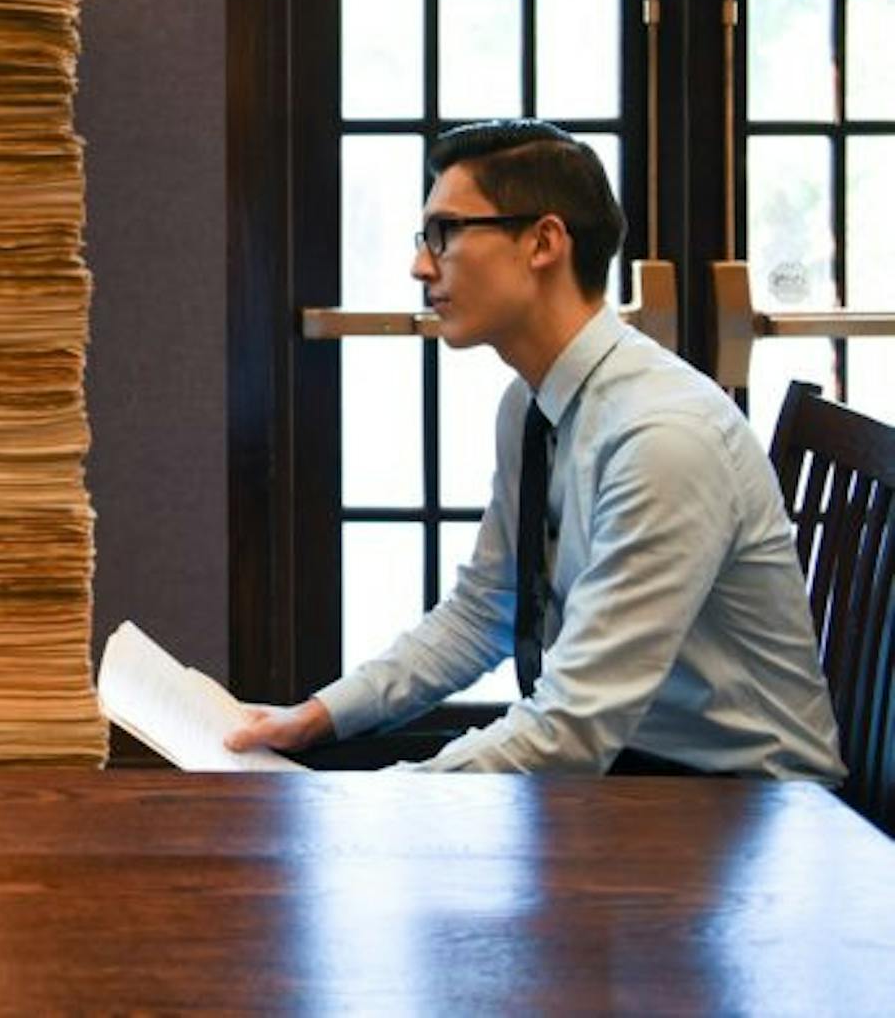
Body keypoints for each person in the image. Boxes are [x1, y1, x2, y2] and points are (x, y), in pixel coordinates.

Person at [229, 119, 844, 780]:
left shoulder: (664, 437)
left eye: (447, 232)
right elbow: (485, 611)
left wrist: (376, 810)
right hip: (632, 773)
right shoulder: (530, 404)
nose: (420, 264)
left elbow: (571, 732)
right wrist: (316, 717)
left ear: (544, 241)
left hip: (749, 803)